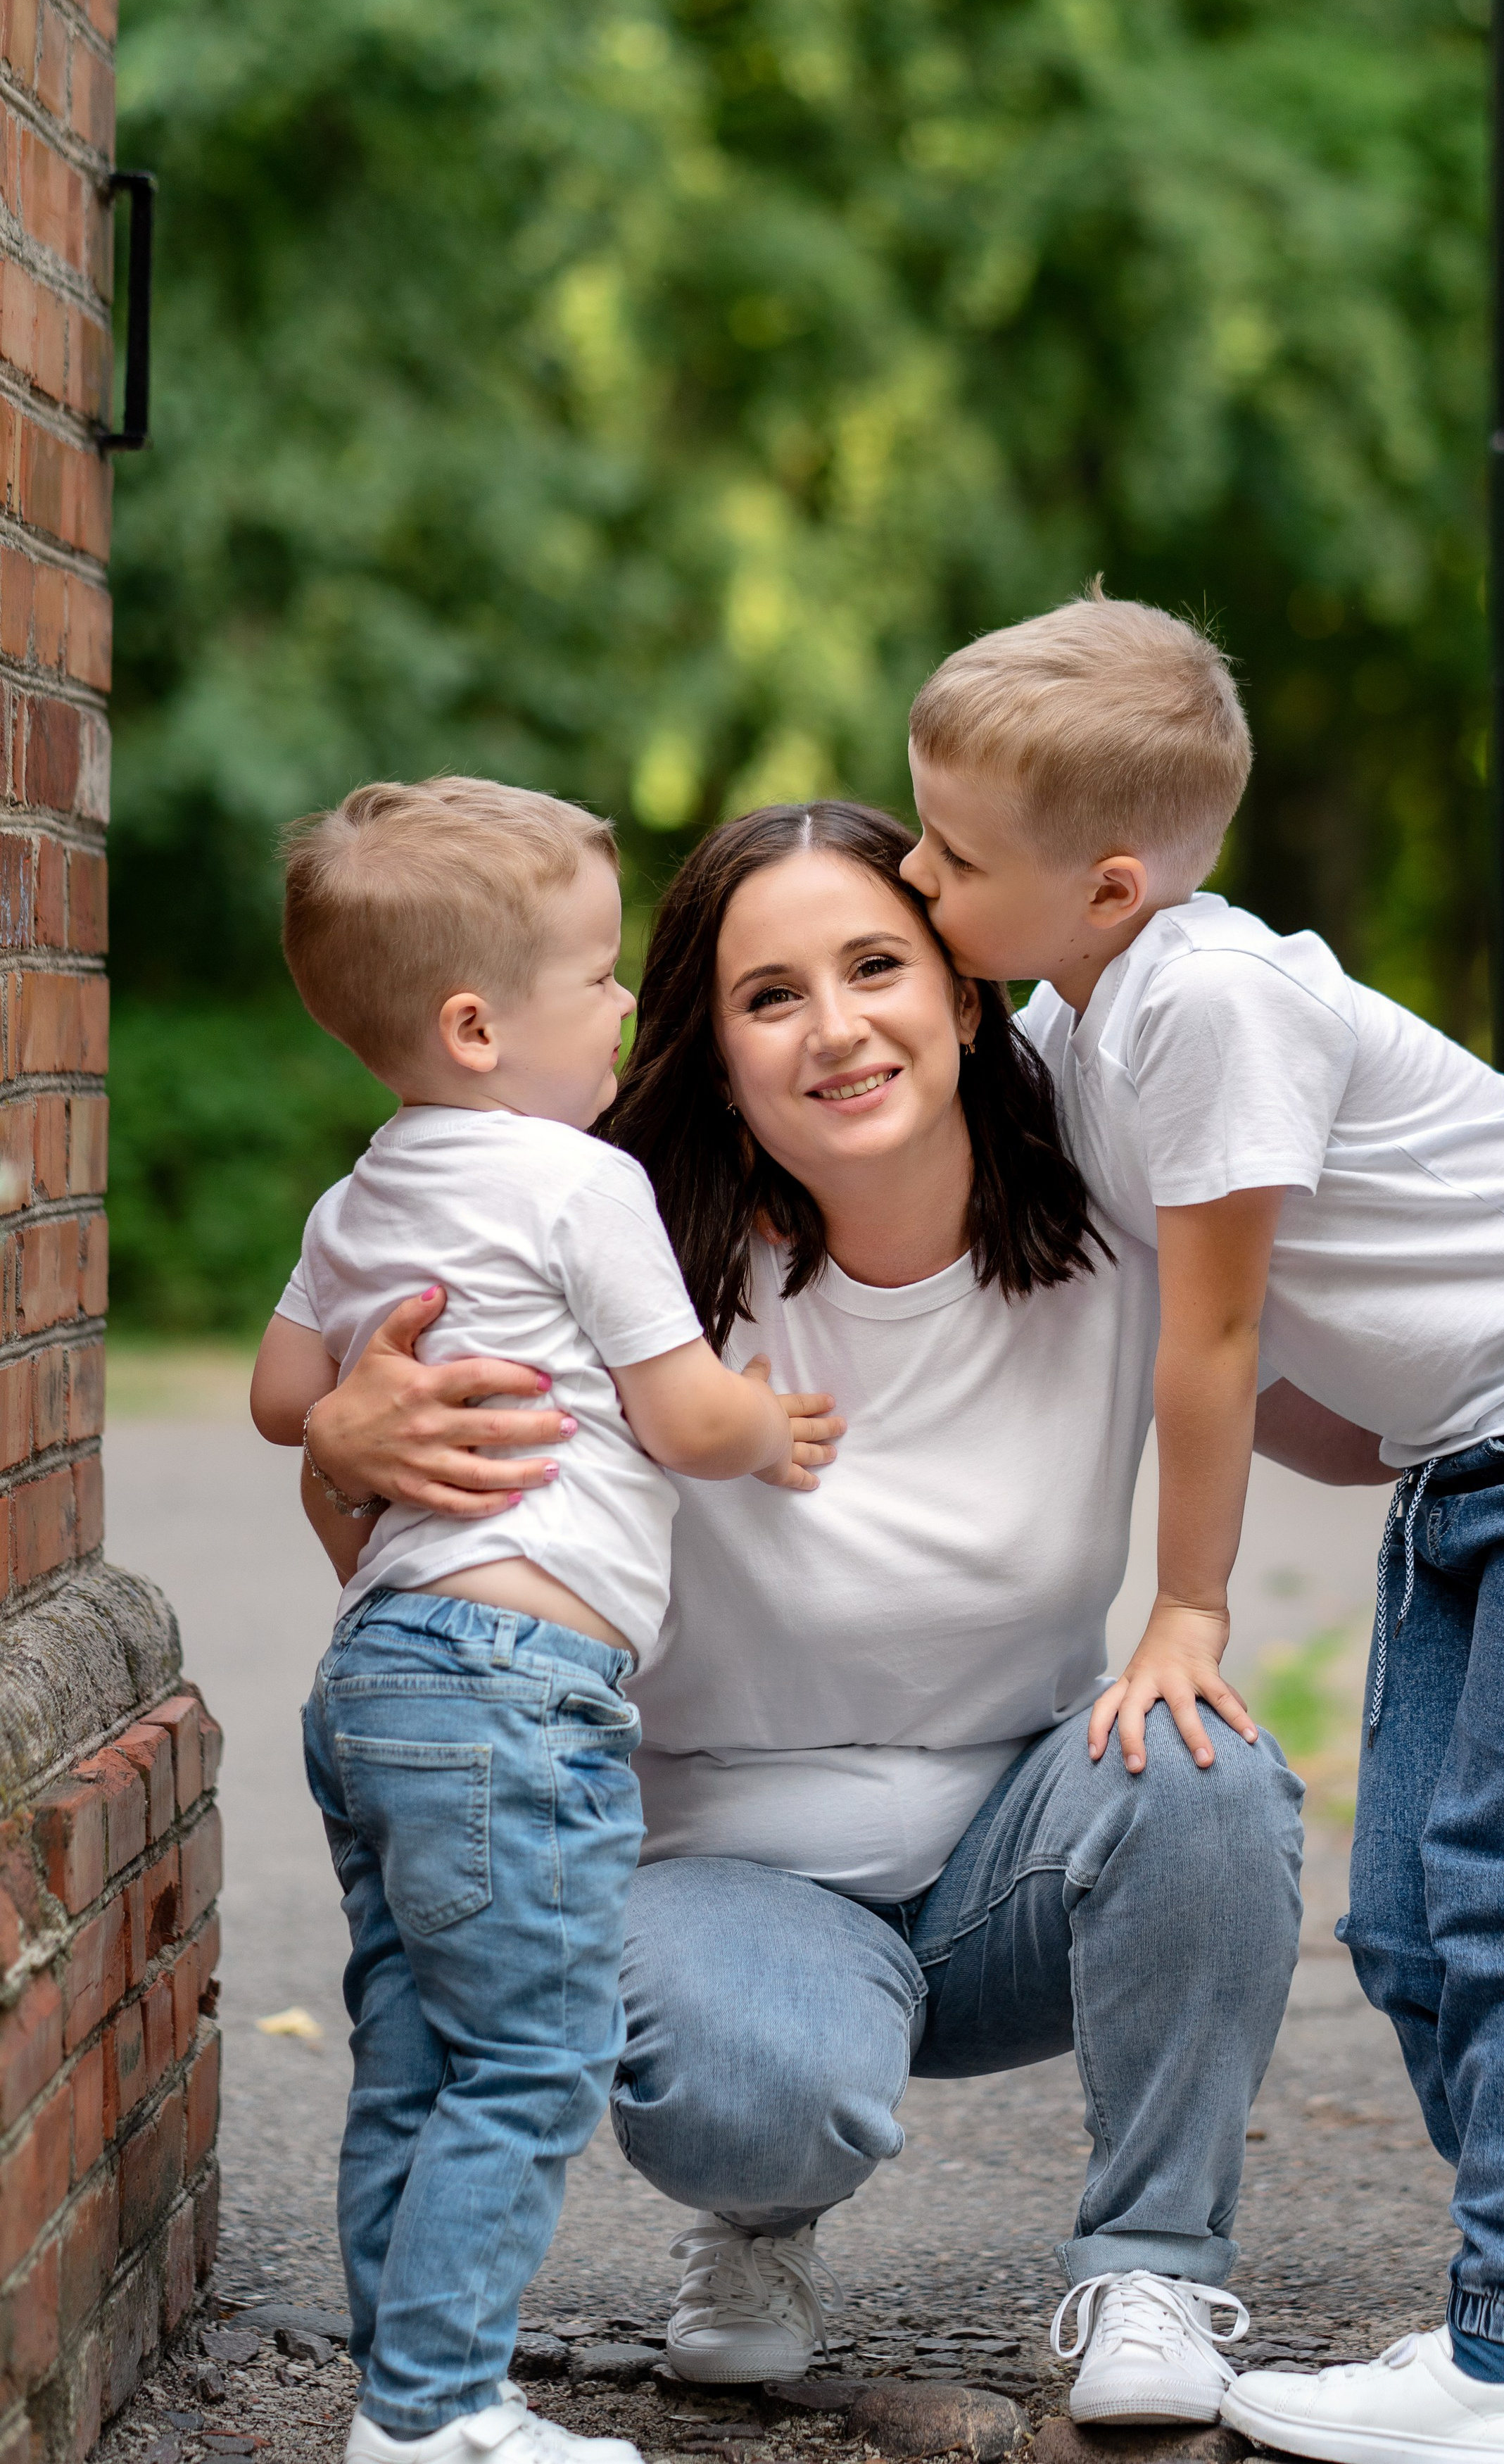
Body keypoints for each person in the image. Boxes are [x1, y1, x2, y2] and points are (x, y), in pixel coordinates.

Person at [297, 798, 1370, 2434]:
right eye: (769, 993)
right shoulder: (607, 1236)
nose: (836, 1025)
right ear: (708, 1043)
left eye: (875, 964)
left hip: (1009, 1849)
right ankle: (755, 2227)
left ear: (963, 991)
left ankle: (1149, 2267)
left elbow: (1343, 1416)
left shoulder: (1116, 1219)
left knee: (1205, 1771)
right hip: (718, 1873)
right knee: (757, 2088)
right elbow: (393, 1502)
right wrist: (336, 1435)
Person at [899, 588, 1504, 2464]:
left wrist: (1188, 1610)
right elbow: (1297, 1393)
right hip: (1488, 1445)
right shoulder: (1085, 1036)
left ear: (1112, 883)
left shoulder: (1202, 1004)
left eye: (951, 853)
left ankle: (1501, 2365)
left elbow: (1213, 1347)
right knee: (1409, 1920)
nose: (916, 873)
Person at [249, 778, 843, 2464]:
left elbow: (282, 1391)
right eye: (596, 975)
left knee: (418, 2057)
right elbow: (679, 1411)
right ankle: (436, 2416)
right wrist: (771, 1425)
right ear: (476, 1023)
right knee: (533, 2056)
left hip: (374, 1677)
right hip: (517, 1694)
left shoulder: (356, 1196)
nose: (625, 1007)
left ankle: (406, 2386)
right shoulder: (577, 1187)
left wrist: (370, 1399)